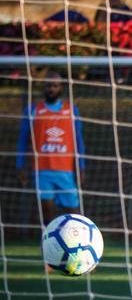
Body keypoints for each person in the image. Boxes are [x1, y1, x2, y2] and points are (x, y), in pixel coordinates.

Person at [15, 70, 87, 224]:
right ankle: (48, 244)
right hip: (42, 170)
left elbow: (79, 141)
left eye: (55, 85)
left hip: (65, 170)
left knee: (74, 214)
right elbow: (22, 140)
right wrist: (20, 165)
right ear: (43, 87)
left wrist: (81, 167)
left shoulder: (72, 110)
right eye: (48, 85)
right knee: (46, 213)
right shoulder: (32, 110)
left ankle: (77, 243)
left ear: (61, 88)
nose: (51, 89)